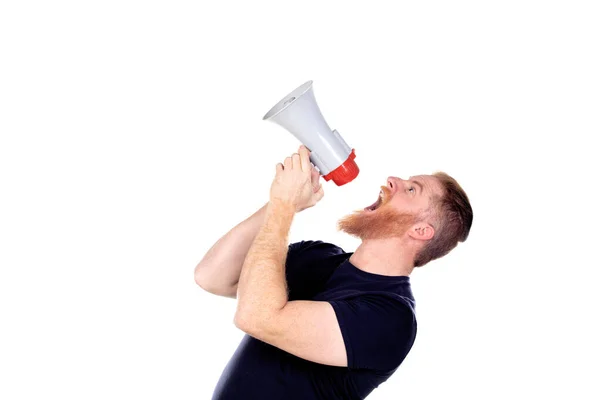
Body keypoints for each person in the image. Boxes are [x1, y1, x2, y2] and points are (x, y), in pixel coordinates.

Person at [195, 145, 473, 399]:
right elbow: (212, 276)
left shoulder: (391, 318)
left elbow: (256, 316)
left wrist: (284, 205)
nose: (393, 180)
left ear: (420, 231)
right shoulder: (317, 256)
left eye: (412, 190)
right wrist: (280, 204)